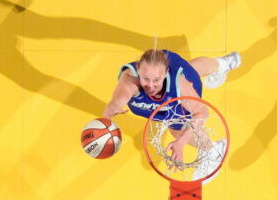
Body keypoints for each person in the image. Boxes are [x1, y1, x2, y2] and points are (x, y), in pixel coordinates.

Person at [103, 49, 241, 182]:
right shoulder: (129, 82)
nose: (150, 85)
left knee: (176, 129)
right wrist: (107, 120)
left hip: (178, 89)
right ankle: (224, 63)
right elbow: (115, 103)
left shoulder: (179, 85)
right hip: (163, 65)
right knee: (190, 68)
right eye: (145, 79)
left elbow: (202, 112)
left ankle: (212, 150)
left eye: (156, 80)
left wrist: (181, 142)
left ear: (165, 74)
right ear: (138, 69)